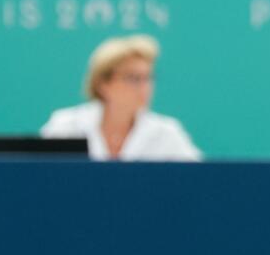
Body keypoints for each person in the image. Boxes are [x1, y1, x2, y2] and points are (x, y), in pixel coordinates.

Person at [41, 34, 201, 161]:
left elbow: (197, 183)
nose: (145, 87)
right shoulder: (65, 127)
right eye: (134, 78)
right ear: (103, 83)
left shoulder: (167, 134)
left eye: (149, 78)